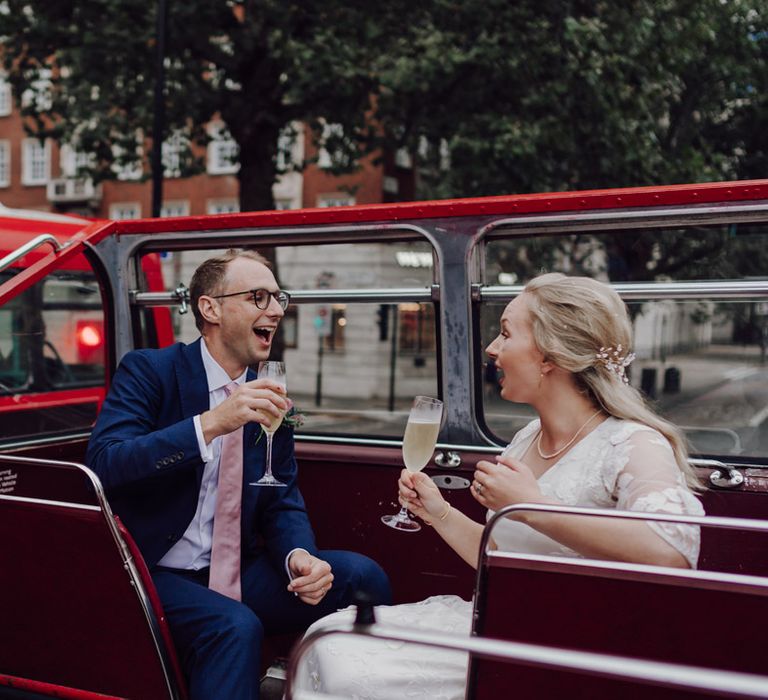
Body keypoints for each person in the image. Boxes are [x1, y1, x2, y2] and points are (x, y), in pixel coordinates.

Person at [297, 272, 704, 699]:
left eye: (506, 333)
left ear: (549, 356)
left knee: (346, 667)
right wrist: (439, 513)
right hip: (500, 619)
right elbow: (501, 560)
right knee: (327, 635)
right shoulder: (526, 438)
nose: (492, 348)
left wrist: (532, 506)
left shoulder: (632, 442)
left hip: (564, 643)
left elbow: (671, 551)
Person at [85, 249, 391, 700]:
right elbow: (106, 463)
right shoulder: (151, 370)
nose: (276, 310)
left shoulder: (271, 393)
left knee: (361, 578)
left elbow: (282, 495)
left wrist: (299, 556)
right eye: (258, 297)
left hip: (237, 568)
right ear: (210, 309)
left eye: (278, 298)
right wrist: (211, 423)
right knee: (235, 627)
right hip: (155, 570)